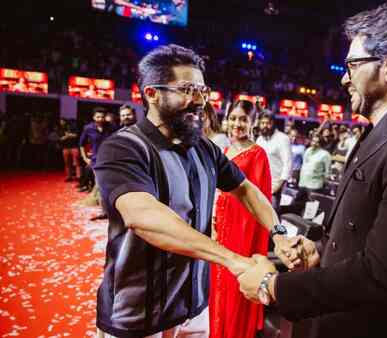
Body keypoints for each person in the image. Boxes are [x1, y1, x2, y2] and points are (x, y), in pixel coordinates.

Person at [237, 3, 387, 338]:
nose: (344, 77)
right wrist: (317, 250)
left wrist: (273, 287)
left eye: (353, 65)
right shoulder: (378, 132)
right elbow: (359, 233)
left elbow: (383, 275)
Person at [94, 44, 298, 338]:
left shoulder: (204, 148)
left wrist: (278, 234)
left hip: (193, 307)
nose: (200, 101)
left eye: (203, 91)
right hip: (137, 312)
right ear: (152, 94)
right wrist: (234, 261)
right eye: (188, 89)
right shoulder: (124, 147)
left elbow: (245, 189)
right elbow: (143, 217)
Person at [209, 100, 271, 338]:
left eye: (243, 119)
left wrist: (251, 242)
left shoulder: (258, 154)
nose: (237, 123)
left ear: (252, 122)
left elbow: (260, 200)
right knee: (218, 283)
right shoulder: (224, 151)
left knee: (236, 285)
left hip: (242, 230)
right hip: (221, 226)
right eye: (233, 118)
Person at [256, 112, 292, 210]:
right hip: (259, 185)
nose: (265, 126)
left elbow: (287, 164)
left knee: (271, 219)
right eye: (262, 123)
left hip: (274, 186)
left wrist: (278, 186)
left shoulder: (283, 138)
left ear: (273, 123)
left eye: (268, 123)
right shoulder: (259, 139)